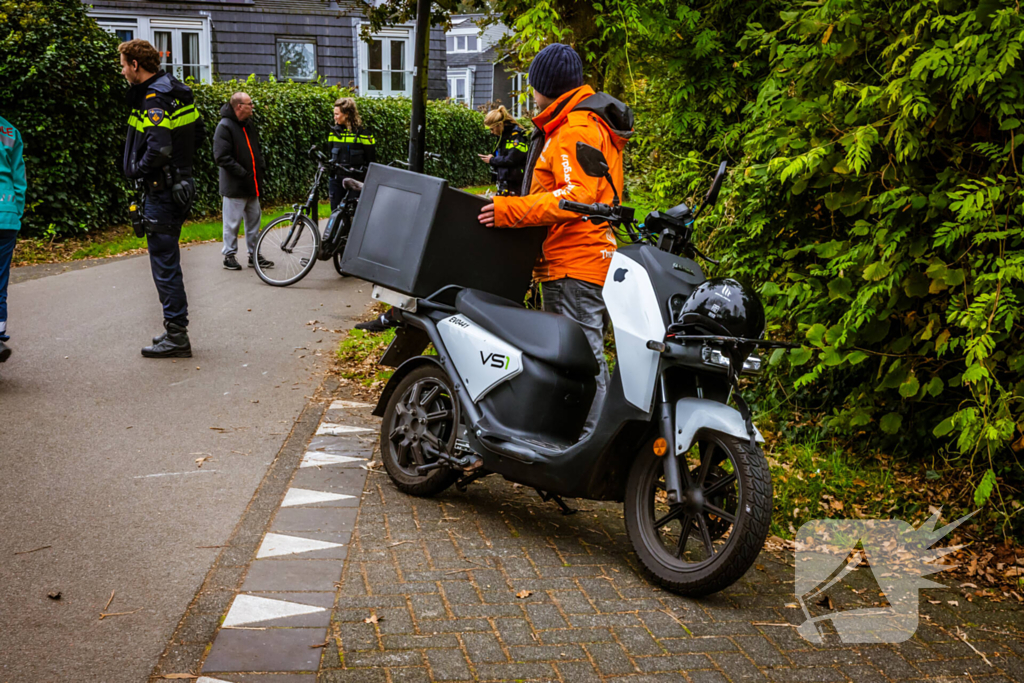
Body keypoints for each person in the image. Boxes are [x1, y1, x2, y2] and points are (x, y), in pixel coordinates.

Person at [478, 43, 633, 435]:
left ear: (546, 86)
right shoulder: (589, 122)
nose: (531, 94)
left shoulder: (575, 128)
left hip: (572, 262)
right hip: (584, 258)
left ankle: (592, 450)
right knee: (576, 358)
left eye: (533, 84)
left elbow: (574, 198)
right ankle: (571, 440)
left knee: (583, 361)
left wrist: (507, 211)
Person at [119, 39, 202, 359]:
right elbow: (196, 136)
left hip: (162, 189)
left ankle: (177, 335)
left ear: (136, 65)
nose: (123, 71)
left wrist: (137, 171)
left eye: (124, 65)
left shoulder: (153, 97)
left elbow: (159, 148)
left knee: (165, 264)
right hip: (180, 184)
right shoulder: (177, 91)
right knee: (168, 261)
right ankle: (173, 330)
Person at [214, 91, 271, 271]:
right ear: (239, 106)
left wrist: (260, 167)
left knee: (254, 221)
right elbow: (221, 157)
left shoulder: (248, 125)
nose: (252, 107)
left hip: (251, 184)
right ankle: (229, 255)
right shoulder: (225, 127)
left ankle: (254, 255)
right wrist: (243, 173)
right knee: (232, 223)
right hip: (235, 185)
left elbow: (256, 150)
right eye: (249, 104)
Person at [0, 114, 26, 363]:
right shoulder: (10, 132)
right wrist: (15, 213)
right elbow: (19, 180)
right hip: (6, 215)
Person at [328, 97, 376, 212]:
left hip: (355, 181)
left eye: (337, 114)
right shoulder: (333, 133)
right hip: (336, 181)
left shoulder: (364, 134)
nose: (335, 117)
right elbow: (329, 154)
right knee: (335, 214)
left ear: (347, 114)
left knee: (353, 214)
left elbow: (371, 160)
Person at [479, 106, 528, 196]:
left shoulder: (516, 137)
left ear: (500, 125)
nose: (492, 132)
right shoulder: (502, 136)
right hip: (504, 182)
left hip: (515, 184)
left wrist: (491, 160)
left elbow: (511, 160)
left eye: (492, 129)